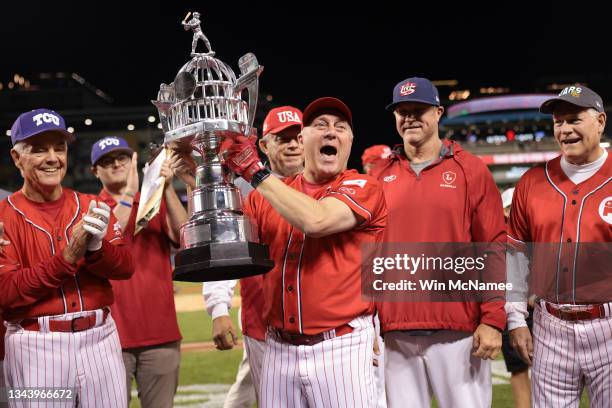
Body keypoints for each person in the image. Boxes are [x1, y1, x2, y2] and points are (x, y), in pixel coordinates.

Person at [220, 97, 387, 407]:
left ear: (350, 141)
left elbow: (317, 220)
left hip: (340, 347)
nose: (331, 133)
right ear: (303, 138)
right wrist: (202, 176)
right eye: (320, 126)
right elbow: (226, 249)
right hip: (277, 347)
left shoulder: (365, 186)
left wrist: (254, 172)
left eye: (341, 128)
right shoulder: (268, 197)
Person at [371, 77, 506, 408]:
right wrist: (369, 324)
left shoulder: (469, 170)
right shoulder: (378, 176)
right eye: (402, 111)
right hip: (396, 334)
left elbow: (493, 245)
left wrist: (492, 319)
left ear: (438, 113)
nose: (410, 118)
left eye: (419, 110)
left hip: (457, 331)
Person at [0, 108, 134, 407]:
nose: (52, 158)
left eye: (59, 148)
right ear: (16, 157)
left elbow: (126, 267)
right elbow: (6, 292)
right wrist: (68, 258)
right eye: (38, 149)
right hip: (34, 346)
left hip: (101, 340)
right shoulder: (3, 216)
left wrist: (100, 250)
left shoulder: (91, 204)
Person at [506, 84, 611, 407]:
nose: (565, 130)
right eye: (558, 122)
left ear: (600, 122)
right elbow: (514, 255)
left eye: (575, 120)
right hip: (550, 326)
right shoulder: (532, 182)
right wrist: (514, 321)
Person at [201, 105, 304, 408]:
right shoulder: (250, 198)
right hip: (264, 329)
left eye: (298, 136)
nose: (293, 144)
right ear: (264, 145)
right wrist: (219, 308)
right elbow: (227, 253)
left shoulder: (329, 189)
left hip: (324, 329)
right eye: (283, 138)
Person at [90, 136, 188, 408]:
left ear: (132, 160)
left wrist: (166, 187)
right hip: (108, 340)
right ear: (94, 171)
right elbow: (108, 239)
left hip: (161, 334)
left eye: (121, 158)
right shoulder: (90, 207)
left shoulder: (151, 204)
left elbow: (185, 239)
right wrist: (130, 194)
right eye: (106, 161)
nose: (116, 164)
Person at [500, 186, 533, 408]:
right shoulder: (498, 240)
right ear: (504, 210)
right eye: (513, 208)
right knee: (519, 369)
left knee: (553, 370)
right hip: (509, 311)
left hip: (543, 309)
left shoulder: (540, 233)